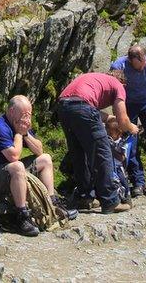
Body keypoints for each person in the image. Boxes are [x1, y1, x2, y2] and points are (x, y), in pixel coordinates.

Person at [0, 95, 77, 237]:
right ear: (11, 111)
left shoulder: (20, 124)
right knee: (17, 166)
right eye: (23, 115)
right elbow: (13, 156)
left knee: (45, 159)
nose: (26, 119)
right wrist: (19, 134)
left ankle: (52, 206)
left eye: (29, 115)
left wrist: (26, 134)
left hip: (6, 171)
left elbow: (39, 150)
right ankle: (22, 215)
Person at [58, 72, 139, 214]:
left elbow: (86, 109)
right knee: (103, 152)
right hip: (82, 107)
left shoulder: (95, 78)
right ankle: (110, 200)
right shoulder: (118, 85)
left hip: (63, 106)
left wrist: (110, 118)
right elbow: (123, 120)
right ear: (123, 83)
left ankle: (85, 197)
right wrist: (132, 128)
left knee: (79, 153)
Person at [110, 45, 146, 196]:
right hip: (127, 103)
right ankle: (138, 182)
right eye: (138, 65)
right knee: (131, 144)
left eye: (143, 64)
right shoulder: (119, 66)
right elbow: (114, 91)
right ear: (130, 61)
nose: (142, 67)